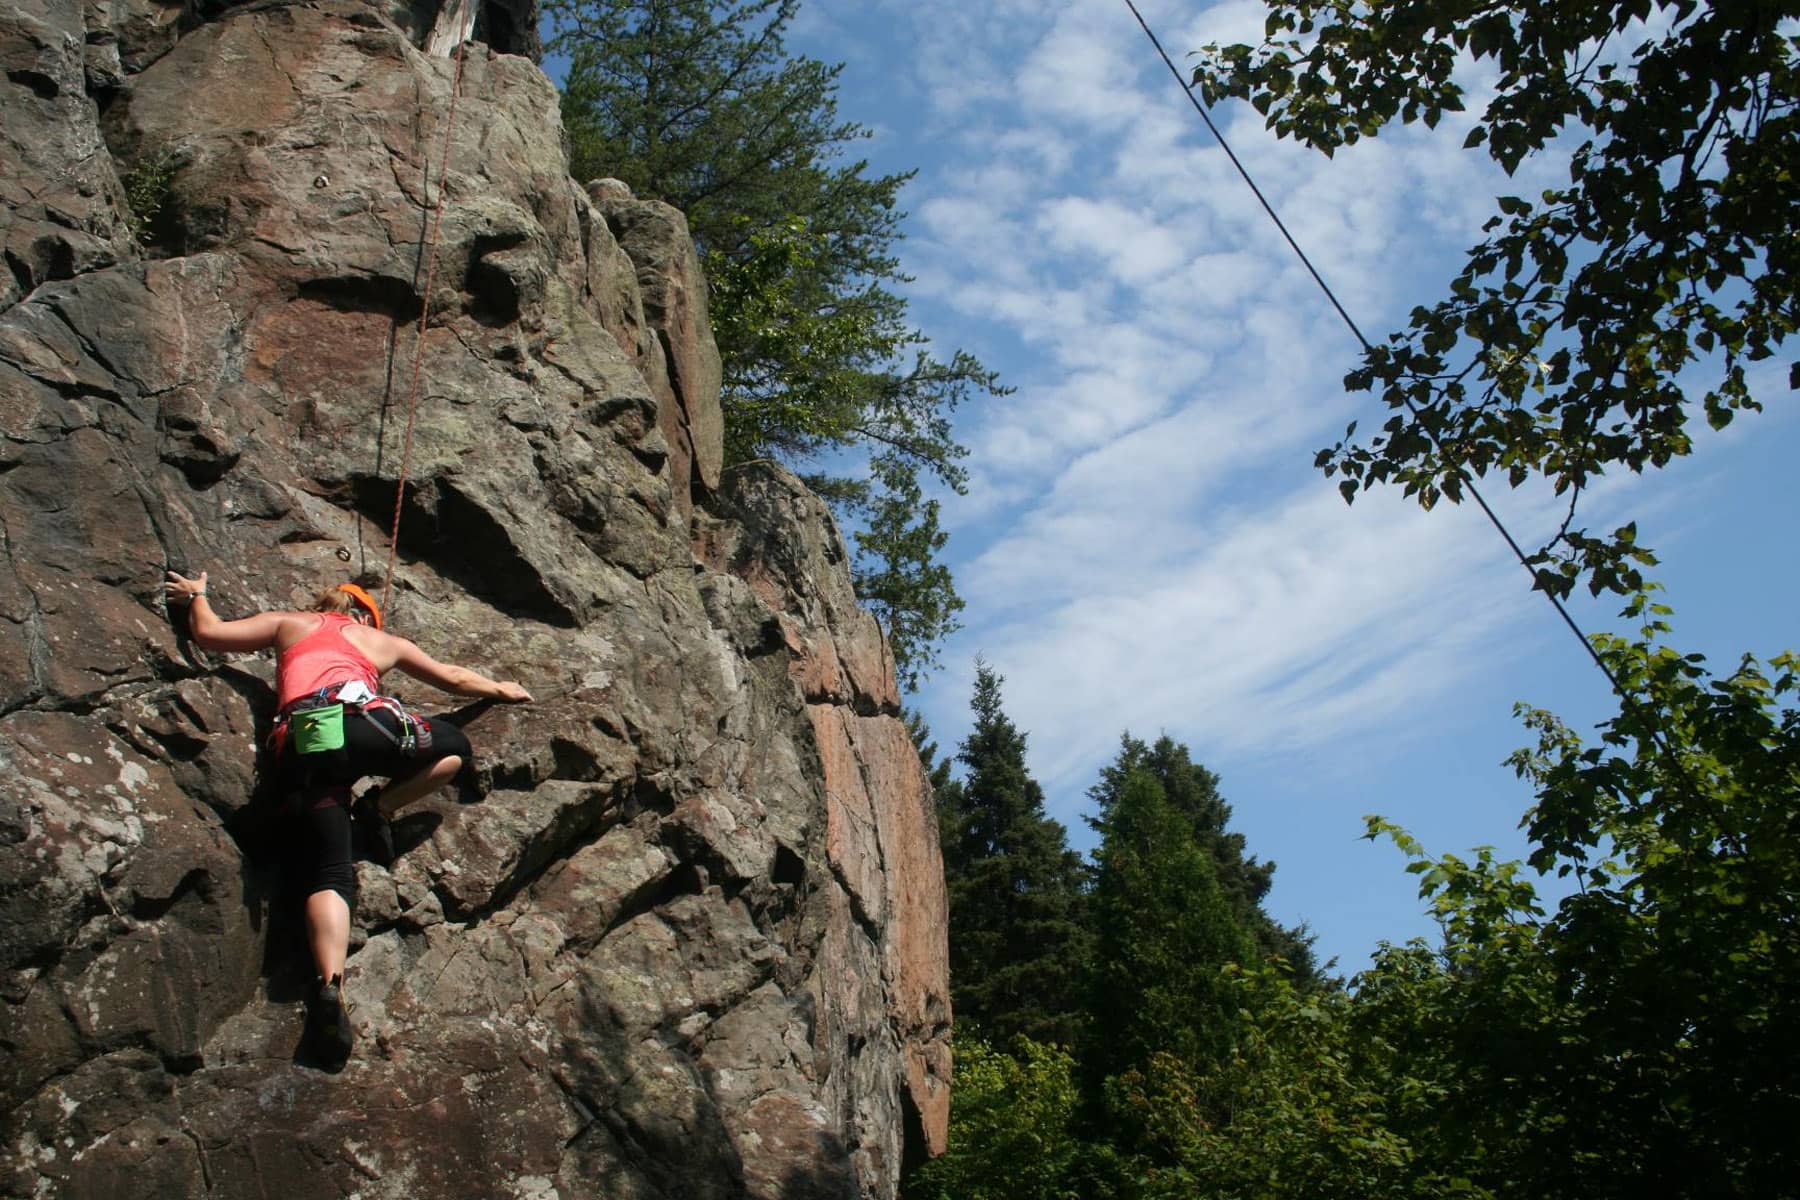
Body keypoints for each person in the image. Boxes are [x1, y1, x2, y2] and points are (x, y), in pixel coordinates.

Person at [163, 569, 531, 1061]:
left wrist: (198, 597)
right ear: (360, 615)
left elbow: (209, 634)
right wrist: (503, 689)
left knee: (330, 870)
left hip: (304, 741)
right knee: (454, 750)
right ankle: (379, 806)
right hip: (363, 726)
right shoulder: (380, 639)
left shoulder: (289, 623)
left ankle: (329, 983)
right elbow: (457, 680)